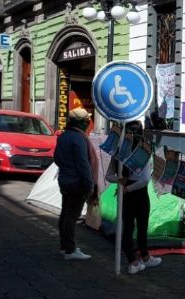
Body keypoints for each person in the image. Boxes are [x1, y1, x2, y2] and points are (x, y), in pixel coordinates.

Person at [107, 120, 162, 274]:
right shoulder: (142, 150)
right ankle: (141, 258)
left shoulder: (119, 150)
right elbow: (145, 179)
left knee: (127, 228)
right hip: (138, 193)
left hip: (125, 192)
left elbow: (109, 176)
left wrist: (121, 182)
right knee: (142, 227)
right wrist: (128, 188)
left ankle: (134, 261)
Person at [53, 108, 98, 260]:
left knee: (65, 214)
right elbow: (83, 165)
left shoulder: (64, 136)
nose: (88, 123)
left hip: (64, 180)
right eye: (87, 120)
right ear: (82, 123)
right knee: (72, 216)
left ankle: (64, 246)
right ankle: (70, 250)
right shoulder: (79, 139)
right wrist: (90, 185)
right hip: (77, 182)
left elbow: (57, 159)